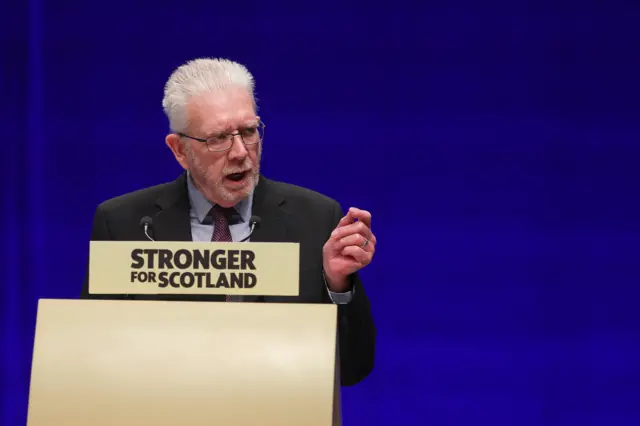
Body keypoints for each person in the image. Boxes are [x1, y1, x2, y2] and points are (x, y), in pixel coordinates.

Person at [81, 58, 376, 386]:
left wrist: (338, 285)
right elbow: (94, 364)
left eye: (249, 131)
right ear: (180, 149)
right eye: (218, 138)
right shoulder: (125, 225)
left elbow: (353, 368)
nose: (240, 152)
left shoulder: (315, 219)